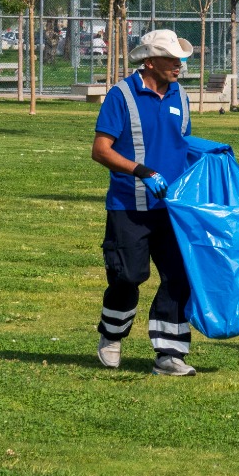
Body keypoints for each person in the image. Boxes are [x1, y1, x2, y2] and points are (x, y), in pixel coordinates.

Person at [90, 29, 197, 377]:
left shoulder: (180, 94)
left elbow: (182, 142)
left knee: (178, 278)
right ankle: (111, 335)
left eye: (180, 60)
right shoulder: (120, 95)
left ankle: (170, 356)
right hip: (128, 206)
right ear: (150, 61)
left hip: (172, 208)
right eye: (172, 59)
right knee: (128, 276)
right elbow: (100, 151)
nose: (179, 65)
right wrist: (143, 172)